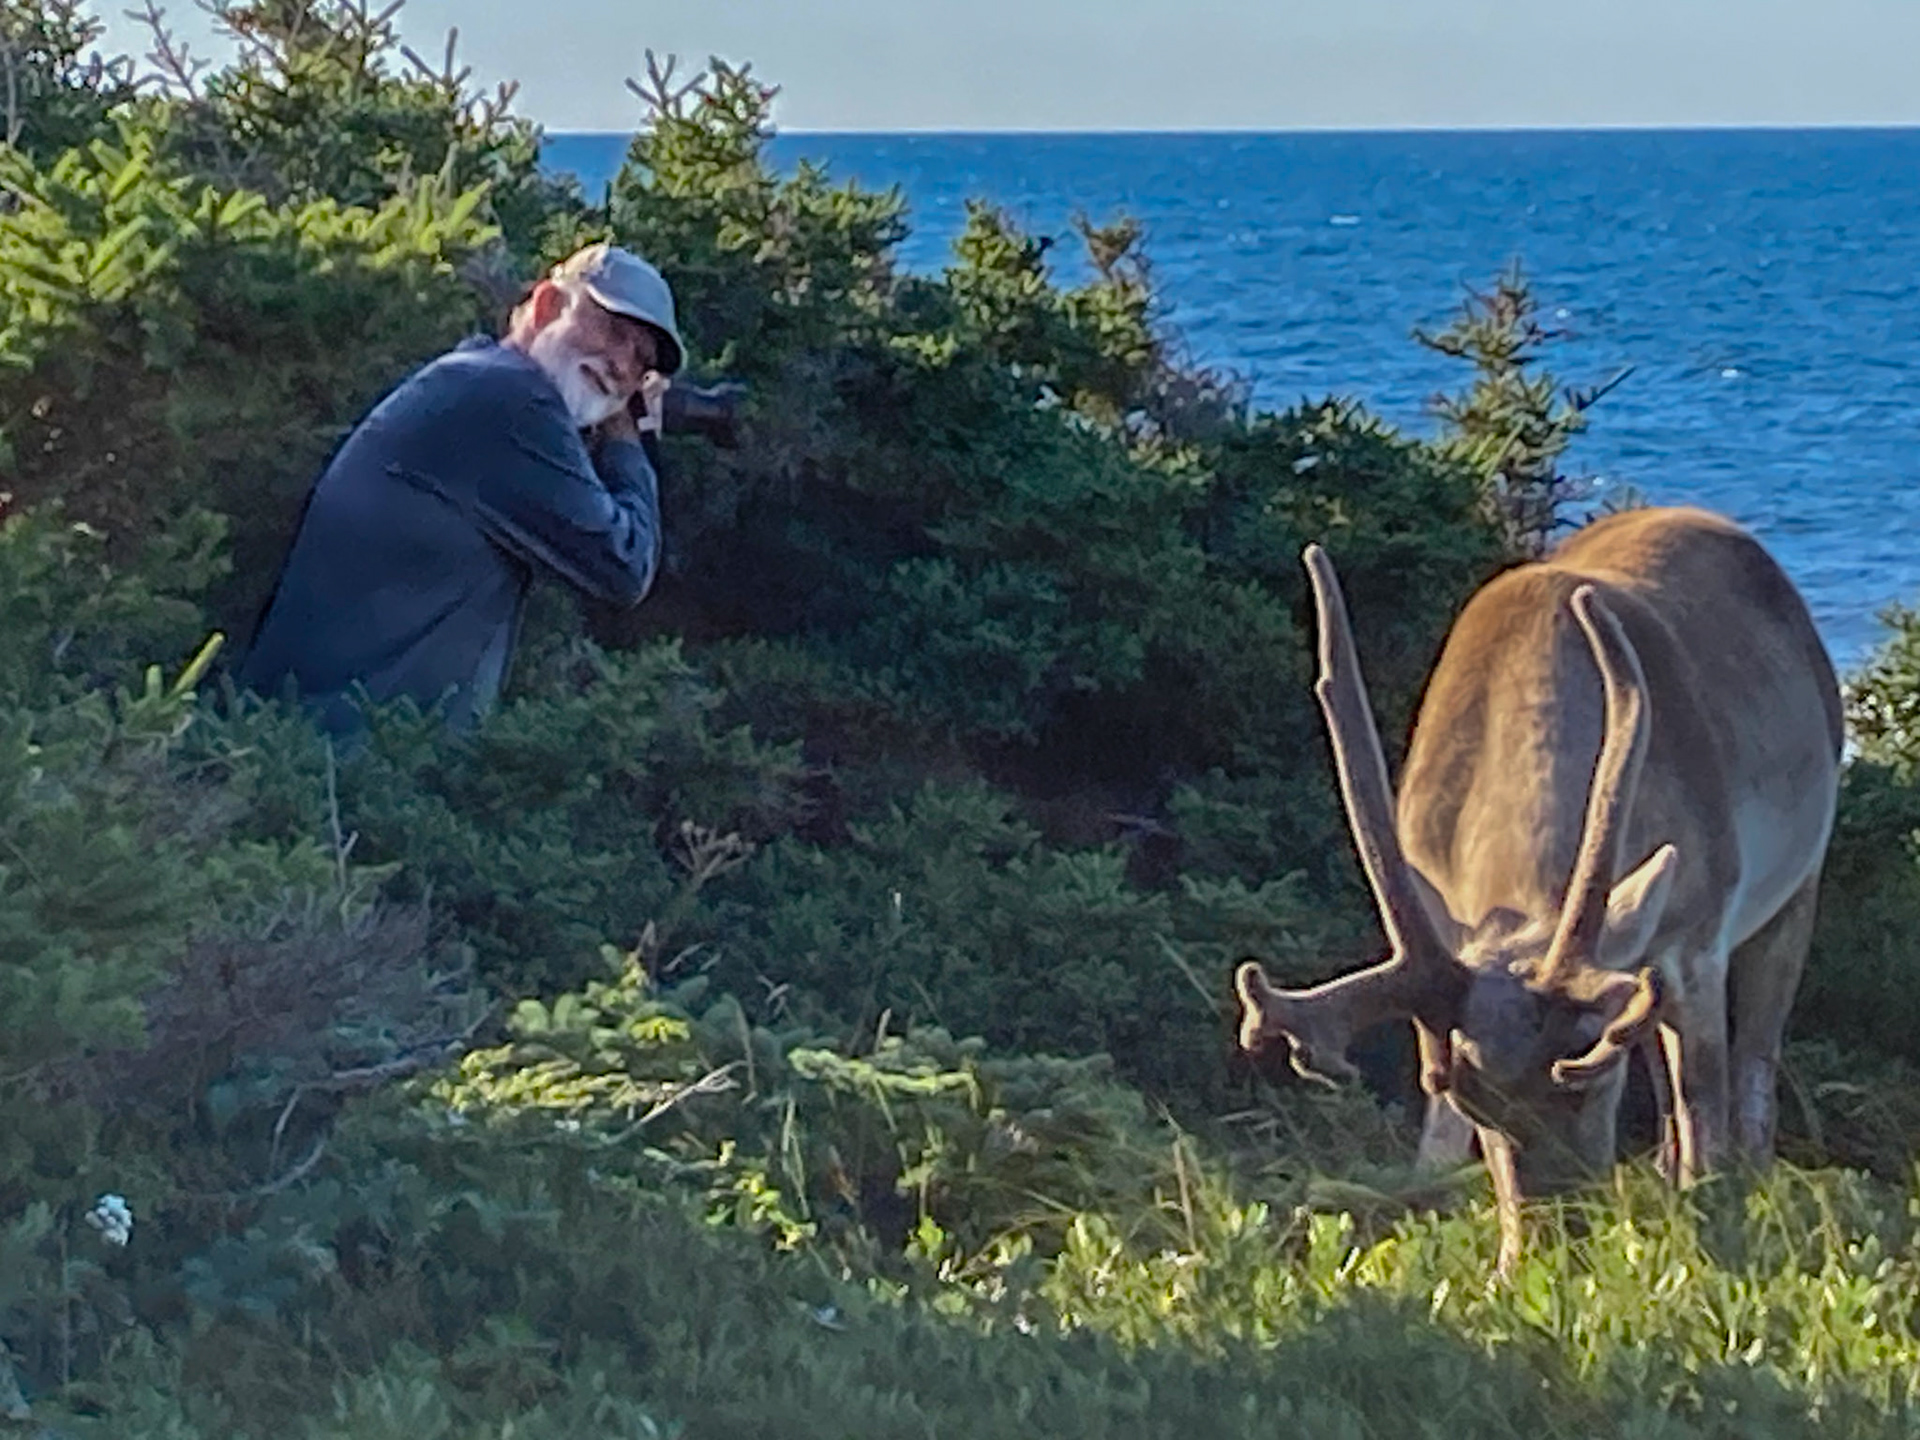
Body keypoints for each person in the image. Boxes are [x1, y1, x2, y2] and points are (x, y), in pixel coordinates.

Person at [236, 242, 684, 743]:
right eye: (613, 330)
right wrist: (626, 437)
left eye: (642, 363)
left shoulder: (476, 379)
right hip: (336, 760)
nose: (624, 366)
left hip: (307, 749)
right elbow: (624, 565)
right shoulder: (511, 402)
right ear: (547, 306)